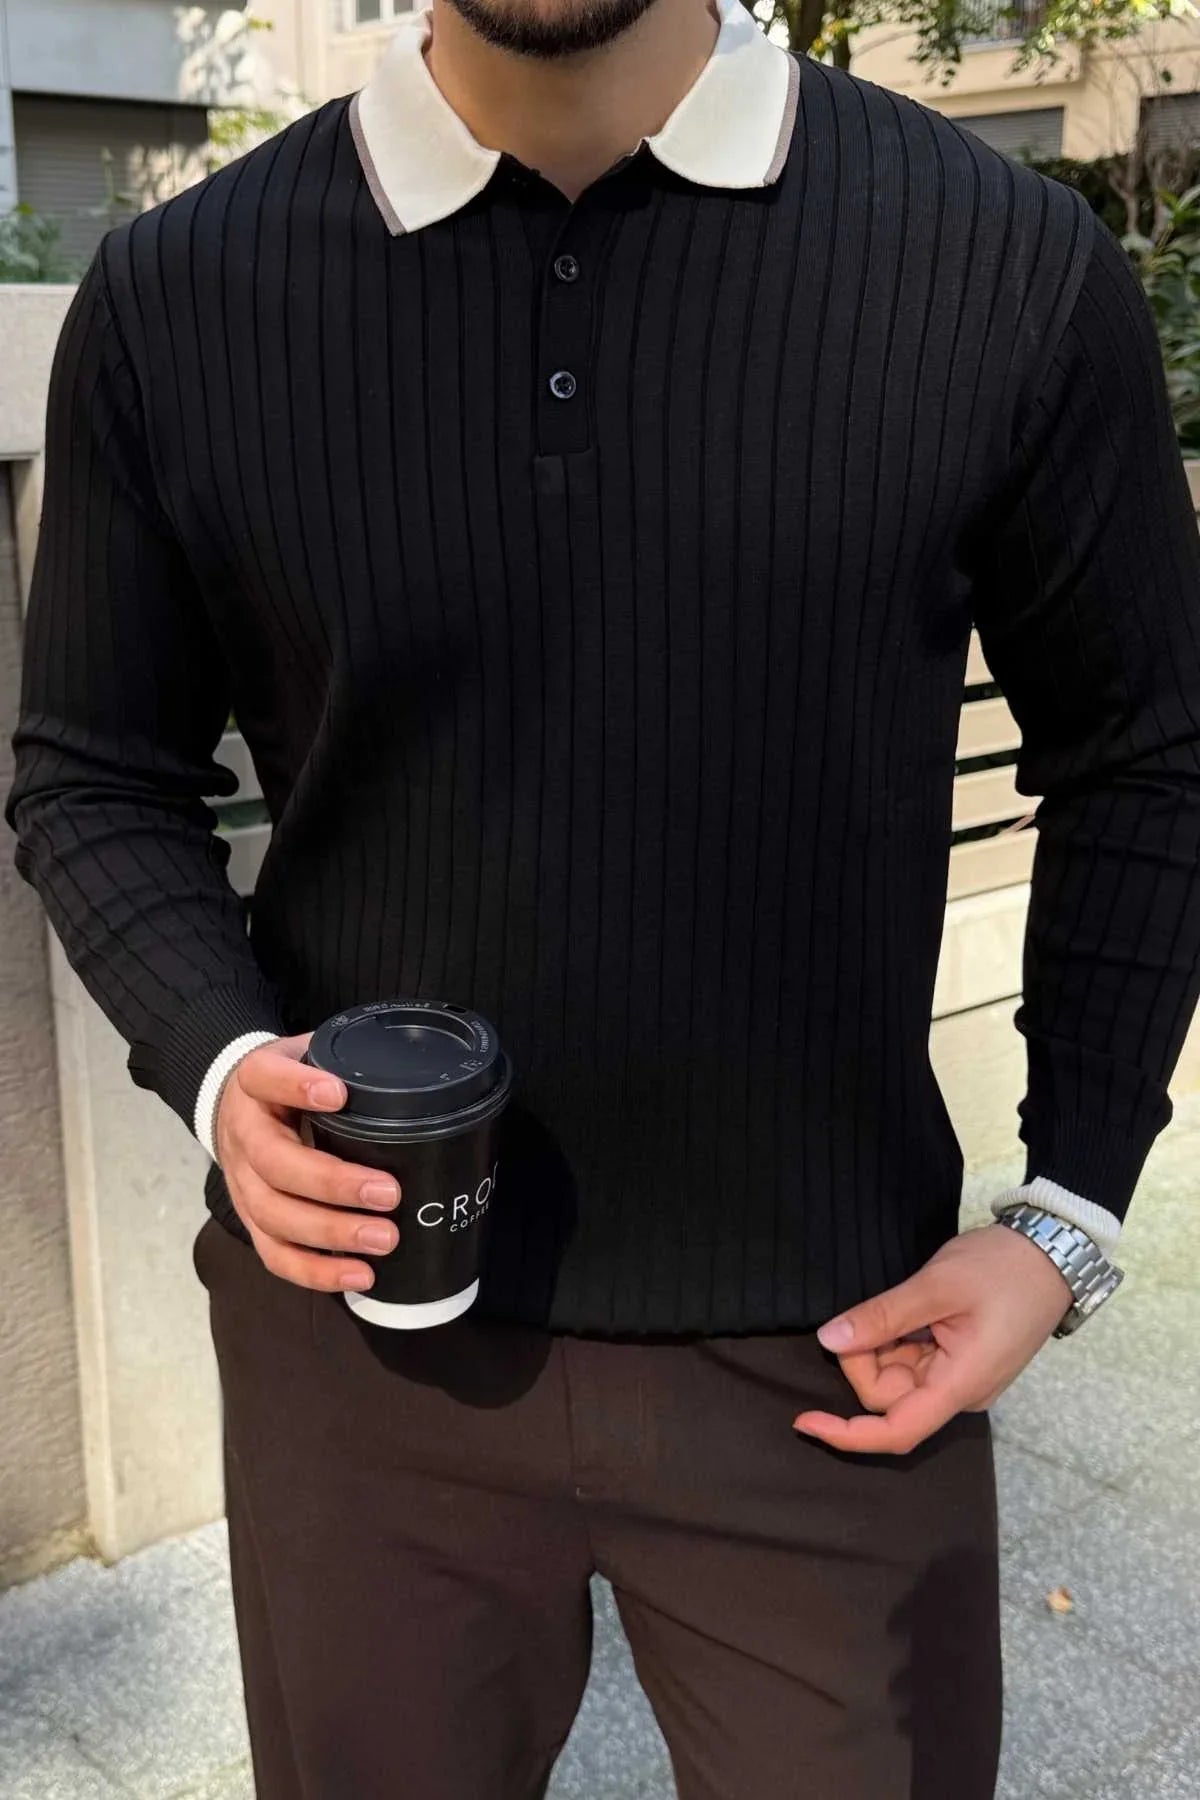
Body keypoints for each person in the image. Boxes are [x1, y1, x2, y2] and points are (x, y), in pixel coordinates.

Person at [8, 0, 1200, 1790]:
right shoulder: (177, 296)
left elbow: (1149, 751)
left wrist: (1070, 1215)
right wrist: (221, 1060)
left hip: (838, 1354)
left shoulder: (1004, 263)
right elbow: (93, 771)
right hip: (360, 1350)